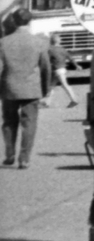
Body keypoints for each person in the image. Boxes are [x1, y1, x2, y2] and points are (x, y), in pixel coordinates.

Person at [1, 9, 53, 169]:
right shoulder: (39, 42)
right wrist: (46, 90)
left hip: (9, 87)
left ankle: (10, 154)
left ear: (14, 22)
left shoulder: (3, 42)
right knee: (29, 124)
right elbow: (46, 68)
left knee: (9, 122)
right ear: (29, 22)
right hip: (31, 89)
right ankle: (24, 158)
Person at [43, 34, 78, 108]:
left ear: (50, 41)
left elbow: (46, 60)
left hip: (56, 69)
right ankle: (46, 103)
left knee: (64, 85)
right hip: (62, 69)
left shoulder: (50, 50)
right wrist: (76, 65)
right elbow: (70, 58)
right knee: (51, 87)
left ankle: (74, 99)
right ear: (59, 41)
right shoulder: (62, 49)